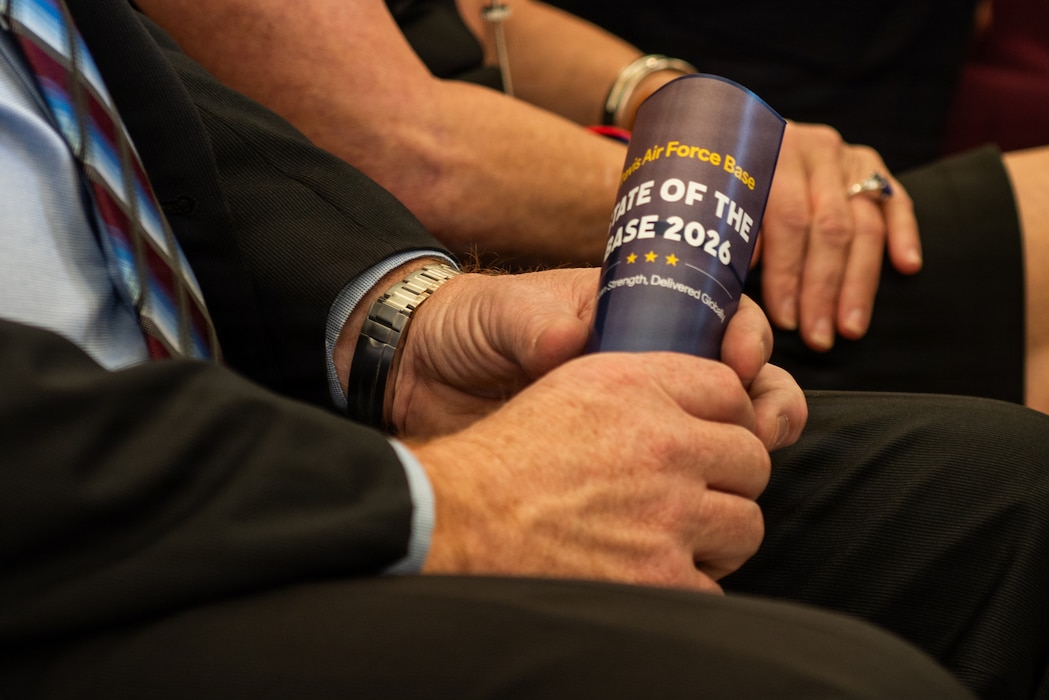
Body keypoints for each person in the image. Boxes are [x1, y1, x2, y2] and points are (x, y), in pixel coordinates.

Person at [2, 2, 1049, 698]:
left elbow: (466, 21)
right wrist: (446, 499)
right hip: (86, 542)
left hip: (259, 384)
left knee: (1012, 495)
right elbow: (410, 147)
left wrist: (402, 322)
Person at [129, 0, 1049, 413]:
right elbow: (411, 154)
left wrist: (676, 99)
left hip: (589, 171)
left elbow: (474, 14)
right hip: (489, 272)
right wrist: (720, 187)